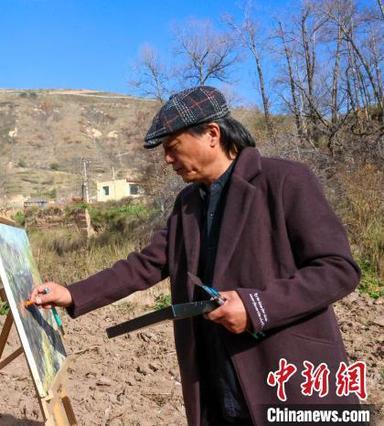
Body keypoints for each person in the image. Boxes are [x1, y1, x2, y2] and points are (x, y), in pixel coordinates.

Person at [29, 86, 361, 425]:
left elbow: (337, 269)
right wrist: (72, 293)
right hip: (216, 374)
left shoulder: (284, 181)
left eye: (173, 147)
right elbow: (145, 264)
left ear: (212, 134)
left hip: (284, 371)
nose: (167, 159)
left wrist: (256, 307)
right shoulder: (188, 203)